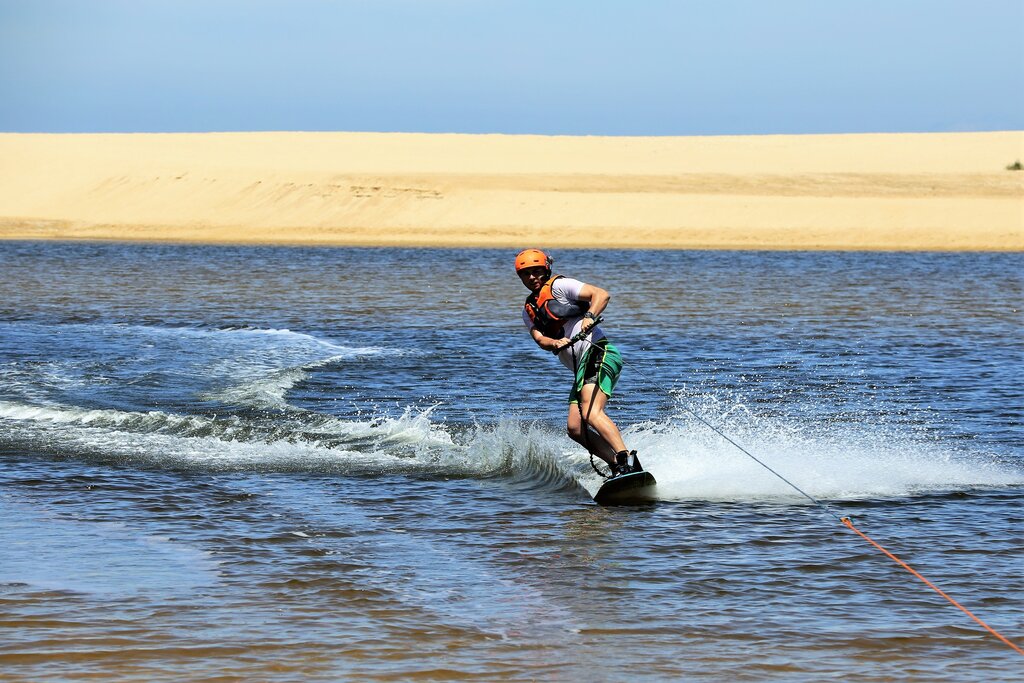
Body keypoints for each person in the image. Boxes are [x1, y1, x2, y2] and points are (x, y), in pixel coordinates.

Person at [514, 248, 640, 477]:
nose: (532, 277)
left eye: (536, 271)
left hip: (599, 353)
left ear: (546, 269)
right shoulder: (528, 310)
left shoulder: (561, 286)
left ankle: (627, 460)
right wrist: (554, 343)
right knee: (575, 428)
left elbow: (601, 295)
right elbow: (540, 339)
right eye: (525, 274)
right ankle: (616, 466)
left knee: (592, 413)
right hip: (581, 367)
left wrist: (589, 318)